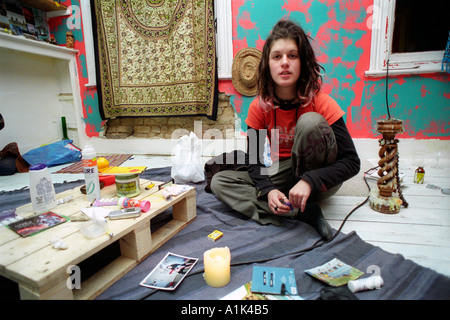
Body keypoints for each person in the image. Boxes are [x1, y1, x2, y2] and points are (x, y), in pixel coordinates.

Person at [210, 20, 360, 240]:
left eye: (293, 55)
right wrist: (268, 189)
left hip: (319, 182)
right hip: (284, 172)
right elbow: (254, 160)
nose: (285, 63)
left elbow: (351, 162)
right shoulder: (259, 107)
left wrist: (309, 180)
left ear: (303, 62)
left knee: (310, 122)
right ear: (267, 65)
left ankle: (295, 200)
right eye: (277, 56)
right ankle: (301, 212)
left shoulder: (322, 103)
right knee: (220, 183)